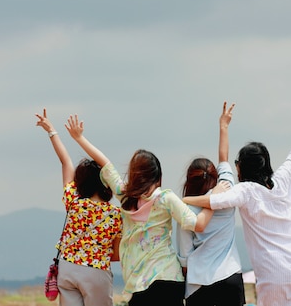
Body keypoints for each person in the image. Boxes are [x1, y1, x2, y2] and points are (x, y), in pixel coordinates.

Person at [183, 102, 291, 306]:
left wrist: (183, 200)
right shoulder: (283, 180)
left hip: (274, 275)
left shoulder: (246, 192)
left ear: (241, 168)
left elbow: (214, 201)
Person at [65, 114, 216, 306]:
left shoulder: (125, 196)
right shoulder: (165, 198)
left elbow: (105, 163)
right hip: (169, 278)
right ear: (158, 175)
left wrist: (79, 138)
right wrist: (213, 200)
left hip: (139, 285)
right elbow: (198, 224)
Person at [35, 109, 122, 306]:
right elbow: (116, 254)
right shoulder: (116, 214)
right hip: (97, 270)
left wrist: (52, 131)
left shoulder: (74, 202)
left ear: (80, 182)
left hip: (67, 268)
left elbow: (65, 162)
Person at [176, 101, 246, 306]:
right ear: (215, 176)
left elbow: (186, 257)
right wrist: (224, 126)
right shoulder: (226, 189)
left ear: (189, 181)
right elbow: (224, 157)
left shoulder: (184, 209)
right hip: (230, 275)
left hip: (199, 283)